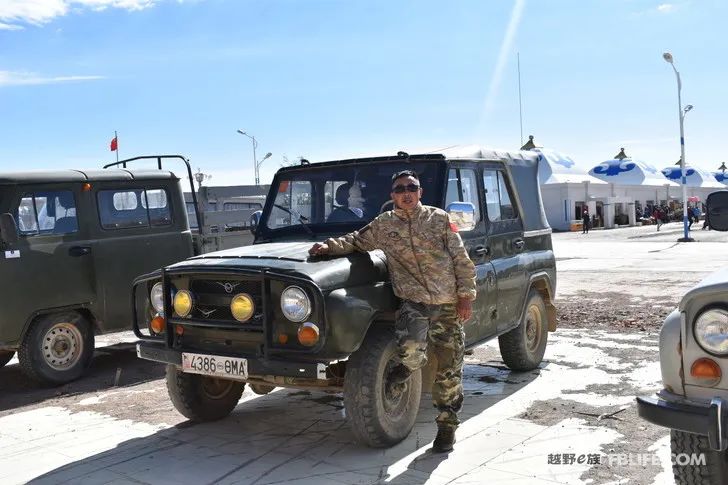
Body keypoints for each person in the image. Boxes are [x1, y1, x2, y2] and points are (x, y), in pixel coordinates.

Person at [309, 169, 476, 453]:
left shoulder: (439, 219)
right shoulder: (384, 225)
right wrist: (327, 247)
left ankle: (447, 427)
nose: (406, 193)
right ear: (393, 196)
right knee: (409, 353)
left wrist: (466, 297)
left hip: (447, 303)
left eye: (412, 187)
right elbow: (355, 240)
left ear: (420, 192)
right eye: (400, 189)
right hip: (413, 302)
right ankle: (402, 371)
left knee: (449, 369)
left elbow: (461, 259)